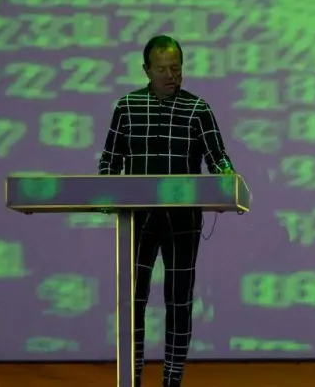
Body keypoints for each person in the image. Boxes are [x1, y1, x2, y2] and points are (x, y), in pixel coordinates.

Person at [97, 35, 236, 387]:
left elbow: (218, 157)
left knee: (178, 302)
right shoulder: (126, 107)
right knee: (133, 301)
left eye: (176, 68)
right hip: (138, 221)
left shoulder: (197, 109)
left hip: (183, 221)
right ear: (146, 70)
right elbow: (109, 163)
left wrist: (225, 175)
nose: (171, 75)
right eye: (162, 69)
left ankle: (173, 378)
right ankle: (133, 375)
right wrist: (104, 193)